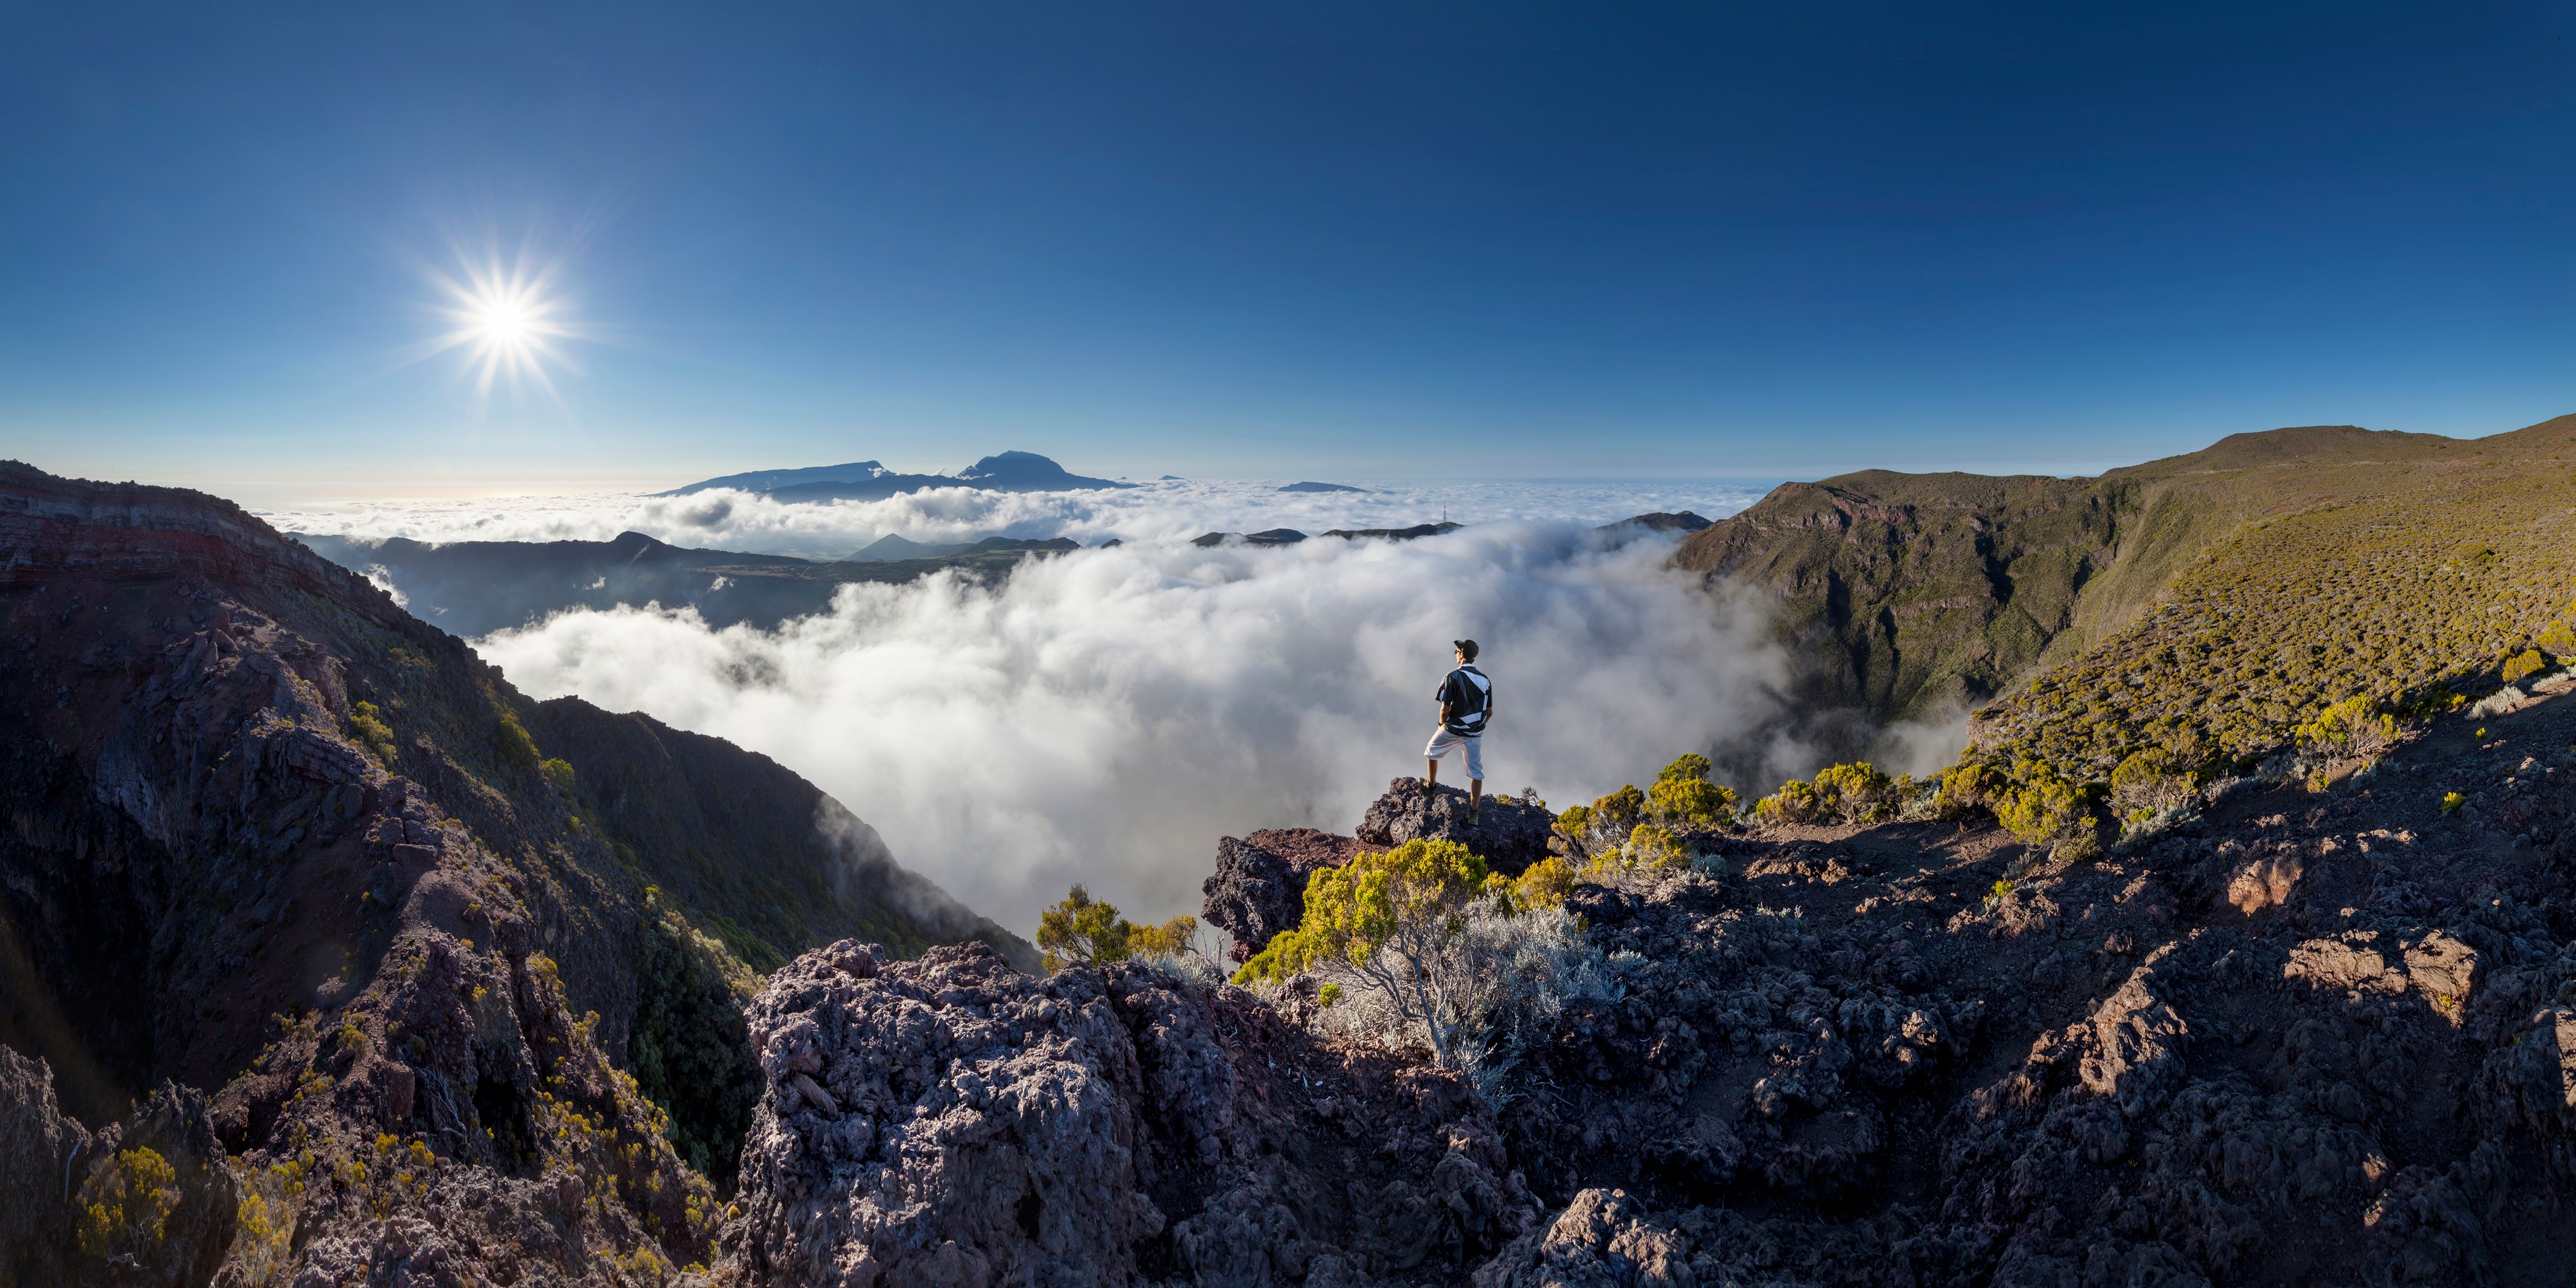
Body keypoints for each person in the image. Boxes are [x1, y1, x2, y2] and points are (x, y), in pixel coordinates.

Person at [1424, 638, 1492, 821]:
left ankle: (1431, 788)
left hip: (1453, 728)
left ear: (1462, 655)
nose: (1456, 654)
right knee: (1476, 772)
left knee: (1431, 751)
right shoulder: (1485, 680)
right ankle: (1474, 813)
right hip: (1474, 732)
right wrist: (1478, 727)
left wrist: (1441, 724)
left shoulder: (1452, 677)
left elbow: (1444, 709)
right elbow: (1489, 712)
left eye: (1457, 652)